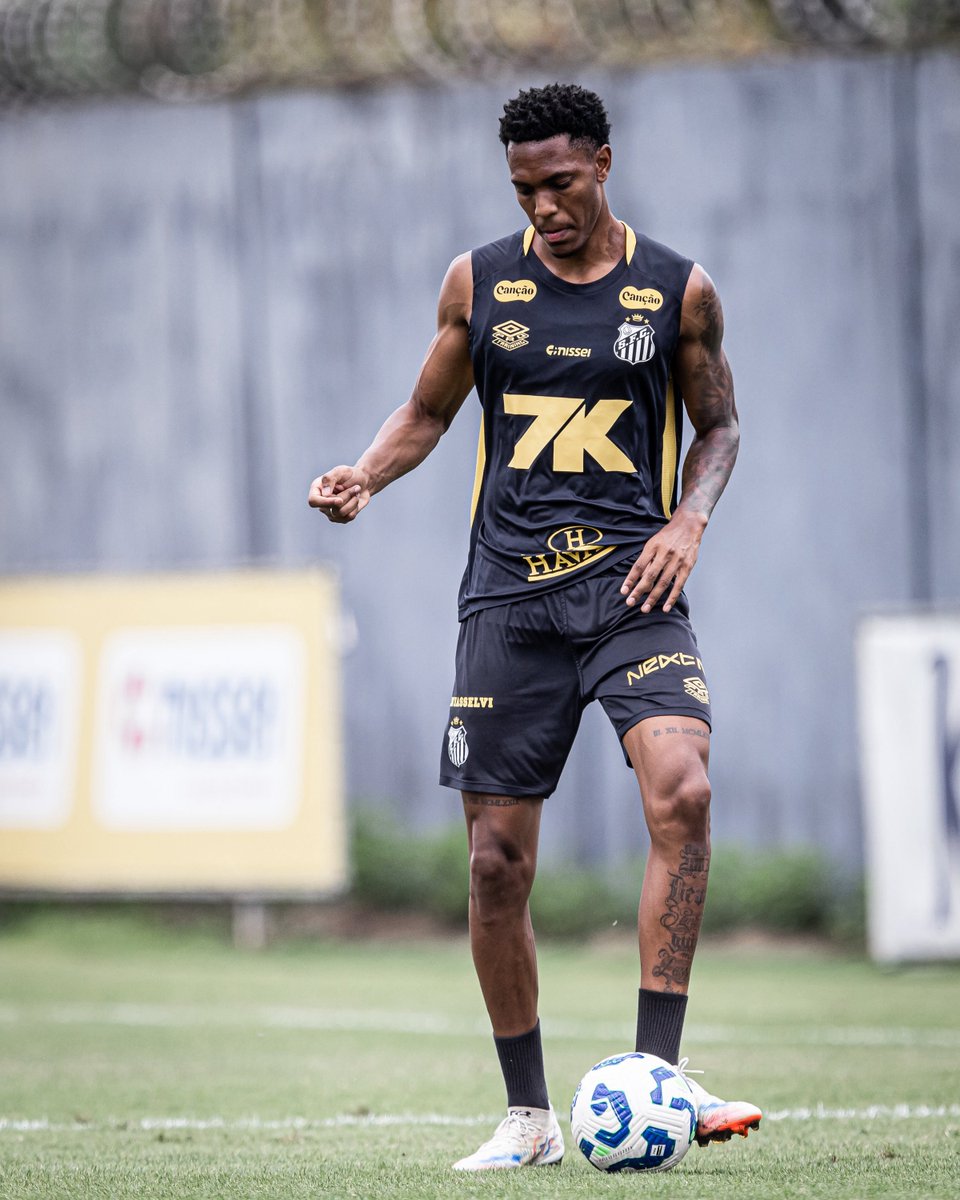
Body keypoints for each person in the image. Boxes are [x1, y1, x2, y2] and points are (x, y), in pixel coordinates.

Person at [309, 82, 761, 1171]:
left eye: (559, 183)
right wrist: (366, 472)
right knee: (495, 867)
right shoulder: (480, 281)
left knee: (685, 792)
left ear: (603, 163)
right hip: (509, 602)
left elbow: (719, 427)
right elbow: (428, 411)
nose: (544, 207)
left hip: (633, 590)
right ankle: (529, 1118)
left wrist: (689, 521)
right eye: (523, 190)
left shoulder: (677, 291)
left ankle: (658, 1075)